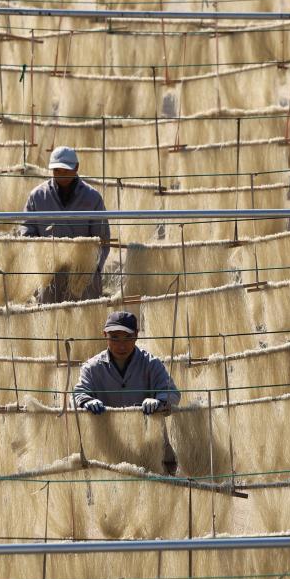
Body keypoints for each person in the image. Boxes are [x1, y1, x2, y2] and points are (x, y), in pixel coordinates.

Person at [21, 146, 110, 301]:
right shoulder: (37, 196)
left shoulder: (93, 198)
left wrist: (93, 270)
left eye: (66, 171)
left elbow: (102, 239)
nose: (61, 175)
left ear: (76, 168)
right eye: (57, 171)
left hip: (84, 276)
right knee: (48, 318)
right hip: (48, 275)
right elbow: (27, 232)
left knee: (84, 317)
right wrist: (42, 259)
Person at [72, 311, 180, 415]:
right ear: (105, 335)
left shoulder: (151, 364)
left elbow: (172, 393)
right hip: (106, 433)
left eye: (128, 337)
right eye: (114, 338)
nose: (121, 346)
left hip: (146, 433)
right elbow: (76, 395)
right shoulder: (92, 368)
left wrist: (159, 401)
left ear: (136, 334)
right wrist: (85, 401)